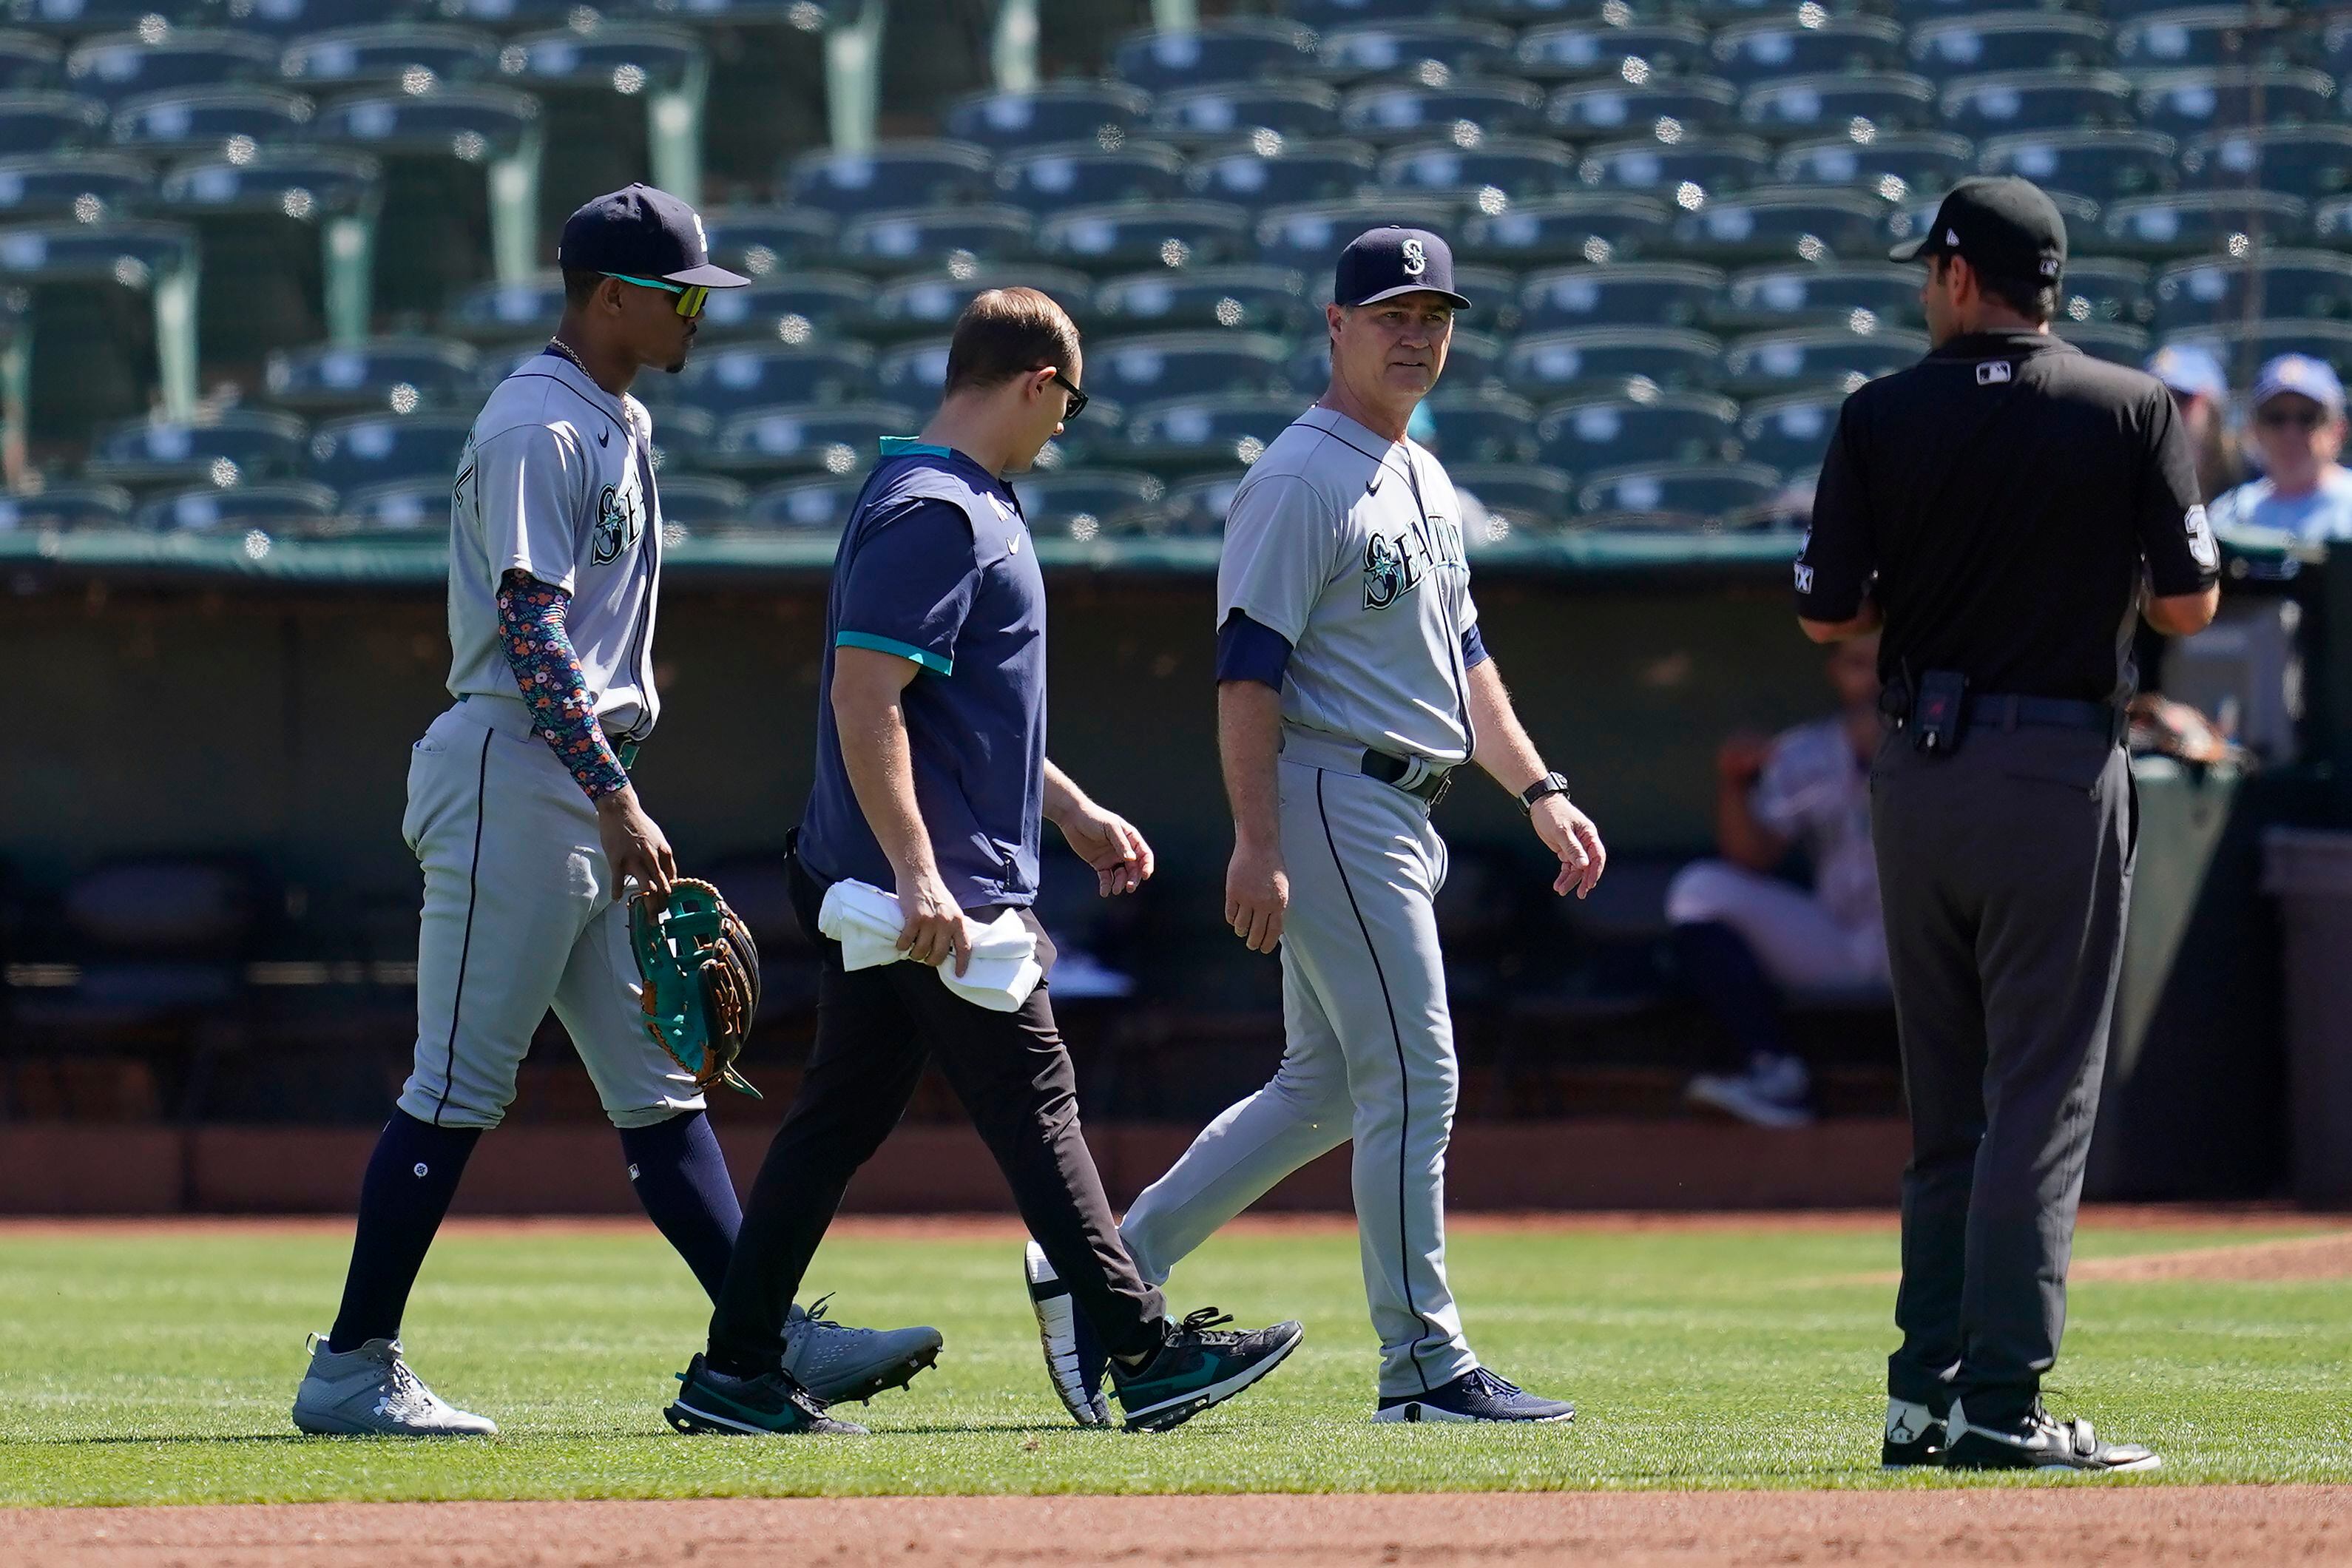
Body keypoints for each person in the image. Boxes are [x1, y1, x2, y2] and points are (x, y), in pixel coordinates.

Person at [291, 186, 937, 1438]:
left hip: (573, 777)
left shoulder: (614, 415)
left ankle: (763, 1338)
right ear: (609, 297)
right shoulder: (540, 419)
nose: (699, 309)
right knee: (458, 1084)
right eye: (681, 290)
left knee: (658, 1090)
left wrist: (610, 795)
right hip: (519, 770)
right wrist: (617, 797)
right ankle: (351, 1364)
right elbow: (529, 628)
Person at [670, 286, 1303, 1438]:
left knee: (842, 1119)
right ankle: (1146, 1351)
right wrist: (918, 874)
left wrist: (1067, 810)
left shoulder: (958, 499)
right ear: (1037, 383)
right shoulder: (936, 509)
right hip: (926, 891)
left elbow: (964, 712)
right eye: (1069, 404)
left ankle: (737, 1370)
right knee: (1035, 1099)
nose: (1065, 427)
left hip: (918, 875)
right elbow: (868, 703)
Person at [1024, 227, 1606, 1428]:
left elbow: (1468, 662)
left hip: (1402, 801)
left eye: (1434, 313)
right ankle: (1423, 1367)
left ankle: (1098, 1270)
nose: (1415, 333)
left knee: (1326, 1087)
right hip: (1335, 796)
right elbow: (1247, 673)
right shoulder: (1299, 476)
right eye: (1391, 311)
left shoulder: (1423, 474)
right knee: (1418, 1076)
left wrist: (1542, 790)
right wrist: (1257, 841)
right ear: (1334, 326)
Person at [1796, 175, 2218, 1473]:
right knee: (2039, 1099)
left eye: (1932, 270)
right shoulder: (2133, 405)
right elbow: (2190, 608)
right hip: (2051, 771)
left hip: (1921, 775)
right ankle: (2003, 1400)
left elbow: (1829, 619)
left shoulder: (1879, 413)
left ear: (1961, 276)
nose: (1927, 291)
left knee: (1949, 1113)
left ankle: (1925, 1395)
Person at [1670, 632, 1886, 1130]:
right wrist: (1736, 783)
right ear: (1835, 671)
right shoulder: (1808, 750)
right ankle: (1777, 1073)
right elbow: (1750, 858)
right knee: (1700, 888)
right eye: (1857, 663)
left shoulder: (1953, 742)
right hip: (1843, 938)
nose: (1873, 678)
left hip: (1929, 950)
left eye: (1884, 663)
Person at [2209, 354, 2352, 544]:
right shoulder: (2229, 514)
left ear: (2338, 430)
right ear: (2254, 431)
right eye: (2276, 418)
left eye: (2307, 418)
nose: (2290, 434)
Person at [2144, 344, 2241, 503]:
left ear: (2213, 413)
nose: (2164, 413)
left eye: (2179, 398)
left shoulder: (2247, 498)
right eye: (2153, 401)